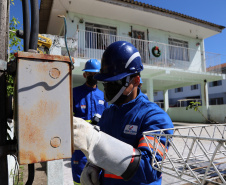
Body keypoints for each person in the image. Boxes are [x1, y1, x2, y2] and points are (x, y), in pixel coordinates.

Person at [73, 41, 174, 185]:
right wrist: (93, 165)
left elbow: (149, 170)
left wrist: (93, 142)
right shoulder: (108, 114)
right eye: (106, 83)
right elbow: (104, 154)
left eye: (114, 83)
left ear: (136, 80)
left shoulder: (155, 117)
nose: (108, 88)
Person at [71, 59, 108, 185]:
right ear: (84, 75)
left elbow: (108, 118)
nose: (92, 76)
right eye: (89, 74)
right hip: (80, 144)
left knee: (97, 176)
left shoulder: (103, 95)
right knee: (79, 176)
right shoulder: (74, 93)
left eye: (95, 74)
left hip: (98, 143)